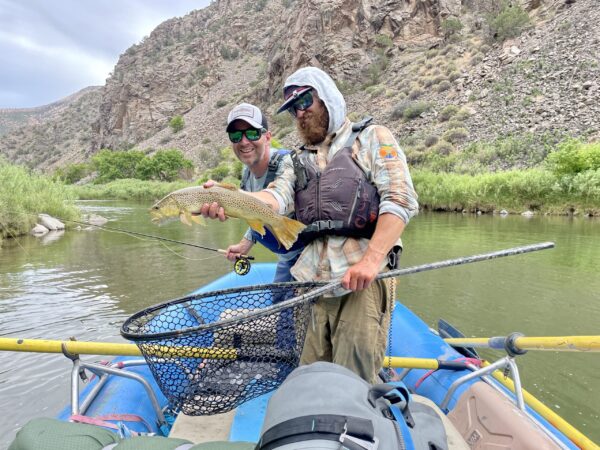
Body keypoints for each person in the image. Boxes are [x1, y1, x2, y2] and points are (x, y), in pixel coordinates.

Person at [202, 67, 418, 384]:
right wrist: (232, 200)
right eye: (293, 108)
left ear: (327, 97)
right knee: (309, 379)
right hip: (311, 284)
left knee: (353, 382)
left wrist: (372, 260)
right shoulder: (296, 159)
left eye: (305, 101)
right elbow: (275, 198)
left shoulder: (373, 138)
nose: (300, 113)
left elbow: (400, 199)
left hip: (360, 281)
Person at [224, 102, 303, 282]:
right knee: (280, 303)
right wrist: (245, 244)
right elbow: (254, 215)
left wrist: (226, 197)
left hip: (311, 256)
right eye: (236, 135)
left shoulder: (288, 162)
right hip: (286, 258)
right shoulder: (246, 173)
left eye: (252, 133)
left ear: (267, 137)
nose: (244, 142)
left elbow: (277, 200)